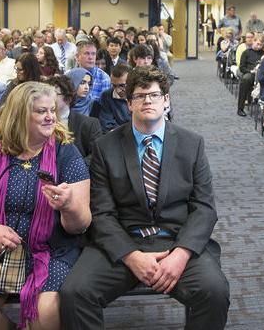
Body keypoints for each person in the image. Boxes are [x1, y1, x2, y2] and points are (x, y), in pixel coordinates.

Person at [59, 65, 230, 330]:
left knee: (214, 292)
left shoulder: (191, 143)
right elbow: (102, 214)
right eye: (139, 96)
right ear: (129, 104)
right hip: (123, 242)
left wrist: (181, 254)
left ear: (167, 100)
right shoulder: (106, 147)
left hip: (176, 240)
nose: (148, 100)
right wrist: (131, 256)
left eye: (154, 95)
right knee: (75, 293)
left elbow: (204, 208)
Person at [0, 81, 91, 330]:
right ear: (19, 114)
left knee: (45, 315)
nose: (50, 118)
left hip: (49, 252)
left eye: (52, 111)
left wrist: (68, 206)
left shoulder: (65, 152)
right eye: (41, 111)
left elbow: (81, 225)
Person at [44, 75, 102, 165]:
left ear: (68, 98)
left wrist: (74, 169)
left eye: (54, 94)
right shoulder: (40, 121)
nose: (47, 98)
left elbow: (95, 156)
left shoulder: (89, 124)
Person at [95, 64, 132, 133]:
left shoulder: (139, 94)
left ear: (131, 81)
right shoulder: (106, 96)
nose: (118, 90)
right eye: (114, 85)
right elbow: (106, 125)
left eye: (122, 86)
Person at [237, 34, 264, 116]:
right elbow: (242, 67)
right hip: (250, 73)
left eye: (261, 45)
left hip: (261, 74)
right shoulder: (246, 53)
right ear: (253, 41)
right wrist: (251, 71)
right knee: (245, 79)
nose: (259, 46)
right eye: (257, 44)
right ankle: (240, 108)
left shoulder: (263, 53)